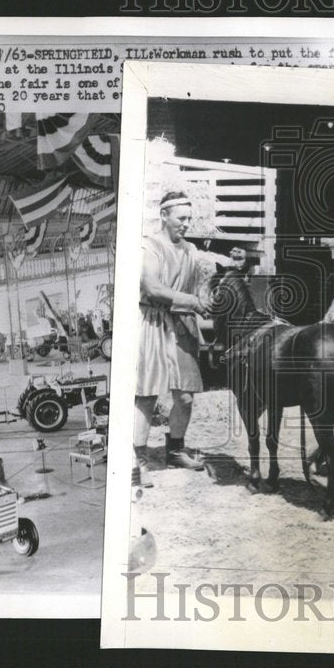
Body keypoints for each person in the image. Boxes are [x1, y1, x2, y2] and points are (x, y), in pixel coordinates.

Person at [134, 190, 210, 483]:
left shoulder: (190, 250)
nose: (186, 224)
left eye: (190, 218)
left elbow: (200, 280)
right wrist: (191, 301)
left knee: (186, 397)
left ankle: (175, 450)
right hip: (153, 320)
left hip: (181, 324)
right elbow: (152, 287)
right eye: (181, 218)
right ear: (164, 216)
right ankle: (138, 460)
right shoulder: (149, 247)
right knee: (146, 396)